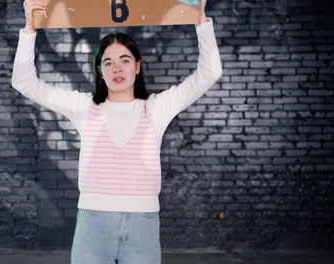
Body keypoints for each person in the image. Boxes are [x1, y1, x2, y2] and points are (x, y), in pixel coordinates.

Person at [12, 0, 221, 263]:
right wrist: (30, 26)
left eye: (125, 59)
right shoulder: (84, 107)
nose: (117, 68)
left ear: (137, 66)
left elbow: (210, 72)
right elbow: (23, 82)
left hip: (143, 226)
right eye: (108, 62)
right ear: (100, 72)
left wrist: (200, 18)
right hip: (93, 224)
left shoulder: (157, 108)